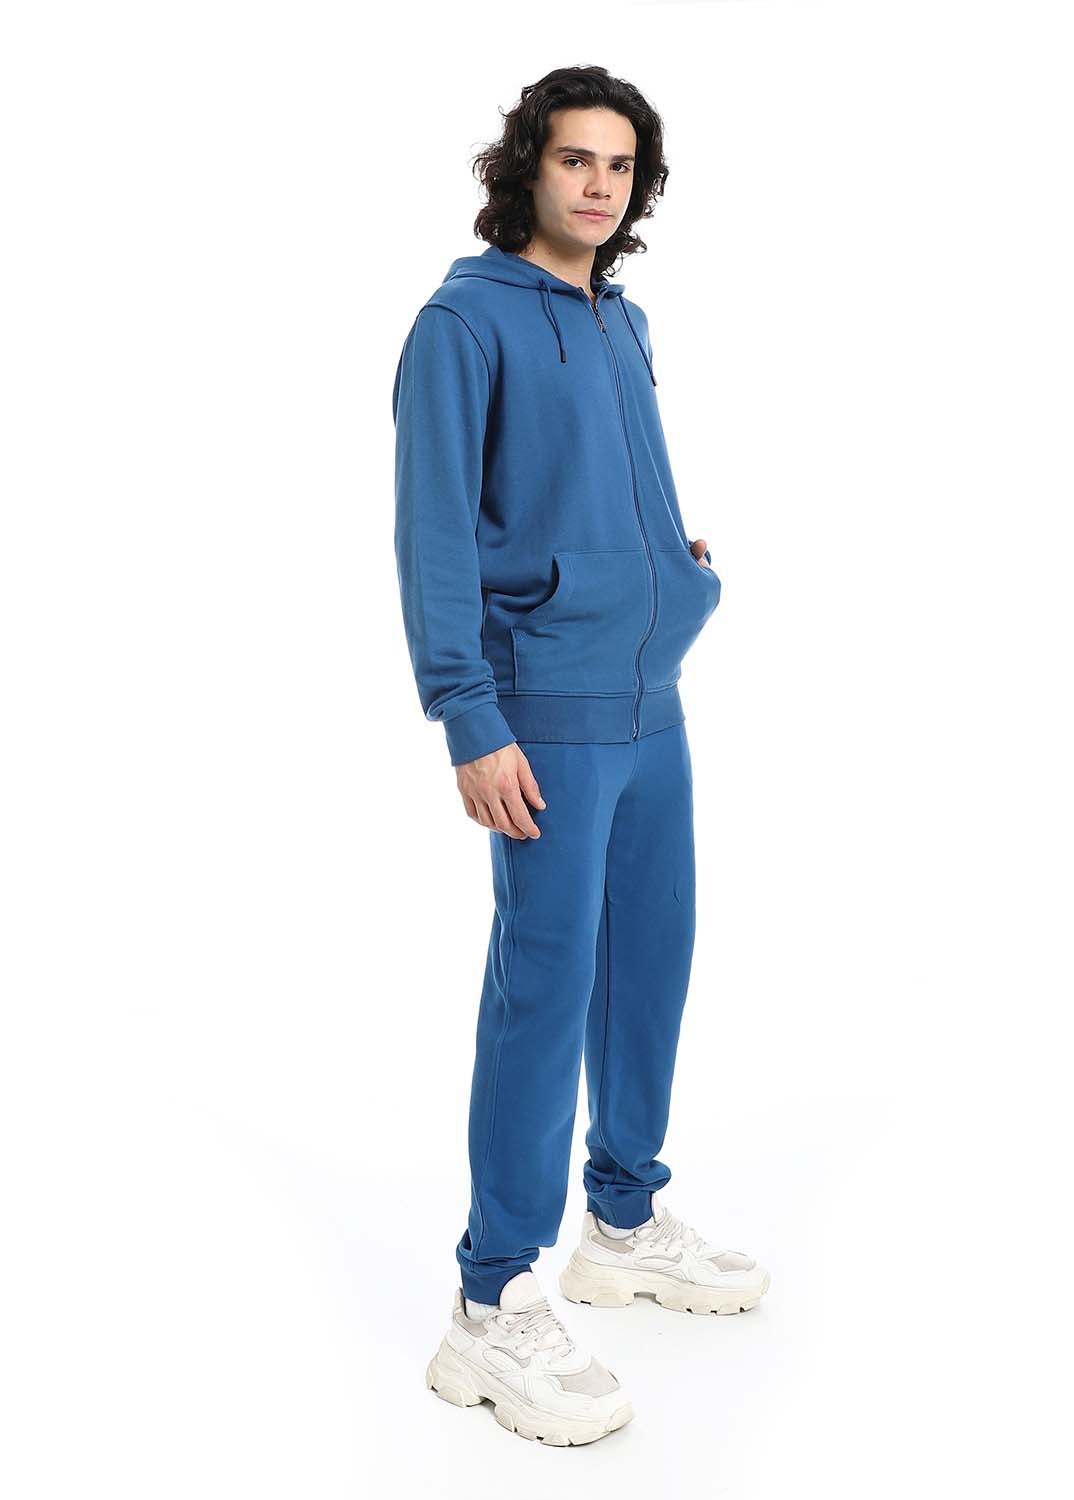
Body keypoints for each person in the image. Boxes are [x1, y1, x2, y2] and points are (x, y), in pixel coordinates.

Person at [391, 65, 770, 1447]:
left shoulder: (623, 316)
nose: (600, 185)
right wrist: (468, 714)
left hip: (652, 693)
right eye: (575, 160)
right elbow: (435, 530)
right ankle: (490, 1302)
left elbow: (607, 483)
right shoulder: (462, 324)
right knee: (542, 993)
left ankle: (621, 1220)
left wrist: (671, 562)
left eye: (621, 165)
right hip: (544, 704)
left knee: (650, 964)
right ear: (527, 169)